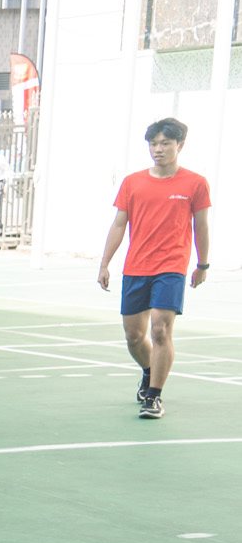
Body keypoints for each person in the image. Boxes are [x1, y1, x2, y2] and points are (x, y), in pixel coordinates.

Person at [97, 117, 211, 420]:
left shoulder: (196, 183)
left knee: (160, 328)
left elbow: (201, 226)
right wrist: (105, 263)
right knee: (134, 336)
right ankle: (149, 371)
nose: (158, 149)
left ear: (180, 145)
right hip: (136, 266)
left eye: (165, 143)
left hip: (171, 266)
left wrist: (202, 264)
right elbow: (119, 224)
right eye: (153, 144)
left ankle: (154, 396)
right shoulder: (132, 182)